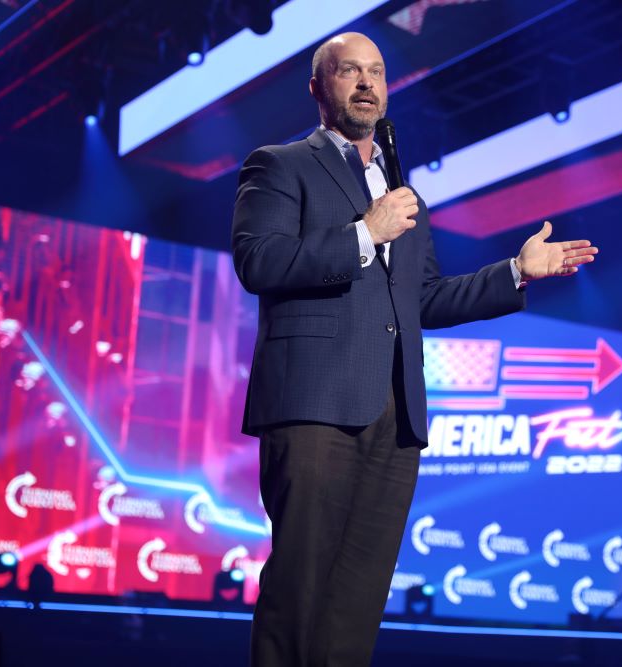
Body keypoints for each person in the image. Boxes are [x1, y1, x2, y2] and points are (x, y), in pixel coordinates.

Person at [231, 32, 597, 667]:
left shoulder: (403, 195)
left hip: (395, 413)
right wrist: (363, 233)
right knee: (300, 586)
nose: (368, 83)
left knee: (357, 600)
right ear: (320, 88)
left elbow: (421, 299)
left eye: (376, 72)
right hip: (315, 403)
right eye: (350, 72)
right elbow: (258, 262)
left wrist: (515, 271)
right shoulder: (281, 164)